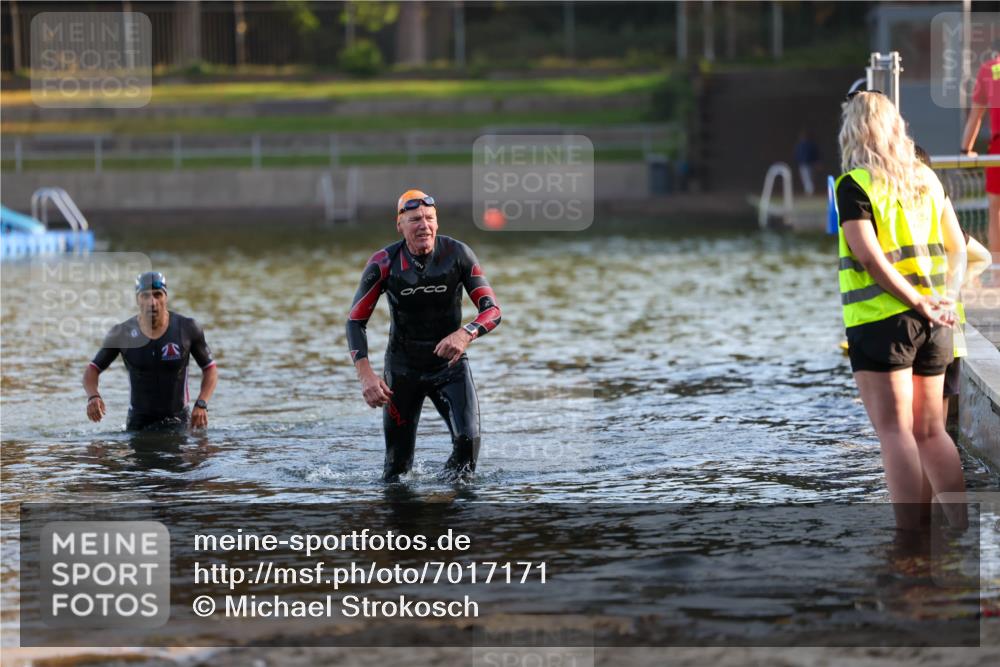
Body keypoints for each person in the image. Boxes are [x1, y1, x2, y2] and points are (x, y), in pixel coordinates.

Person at [836, 92, 967, 530]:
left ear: (853, 131)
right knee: (932, 433)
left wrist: (916, 300)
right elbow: (958, 248)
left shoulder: (853, 184)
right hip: (936, 322)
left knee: (894, 433)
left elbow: (871, 260)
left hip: (882, 322)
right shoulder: (926, 178)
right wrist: (943, 297)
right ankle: (962, 532)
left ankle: (911, 544)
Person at [346, 190, 501, 482]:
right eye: (415, 219)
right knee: (397, 468)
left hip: (450, 369)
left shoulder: (457, 254)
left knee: (468, 443)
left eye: (430, 218)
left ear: (437, 223)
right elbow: (355, 321)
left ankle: (452, 513)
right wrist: (366, 376)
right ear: (400, 225)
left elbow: (492, 310)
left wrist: (465, 334)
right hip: (403, 372)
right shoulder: (384, 262)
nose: (424, 225)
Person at [84, 272, 218, 431]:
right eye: (145, 296)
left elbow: (210, 370)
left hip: (179, 421)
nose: (152, 302)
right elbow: (92, 371)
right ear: (137, 299)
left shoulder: (187, 328)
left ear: (165, 297)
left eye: (158, 295)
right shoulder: (121, 333)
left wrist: (201, 403)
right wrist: (93, 396)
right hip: (138, 424)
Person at [960, 40, 1000, 257]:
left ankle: (996, 274)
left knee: (996, 209)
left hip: (997, 147)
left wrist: (965, 151)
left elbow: (976, 115)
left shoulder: (988, 70)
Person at [794, 130, 820, 196]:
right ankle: (809, 191)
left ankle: (810, 191)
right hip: (803, 164)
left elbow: (815, 154)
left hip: (810, 163)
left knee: (809, 178)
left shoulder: (811, 144)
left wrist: (817, 162)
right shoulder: (800, 145)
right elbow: (797, 154)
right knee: (806, 178)